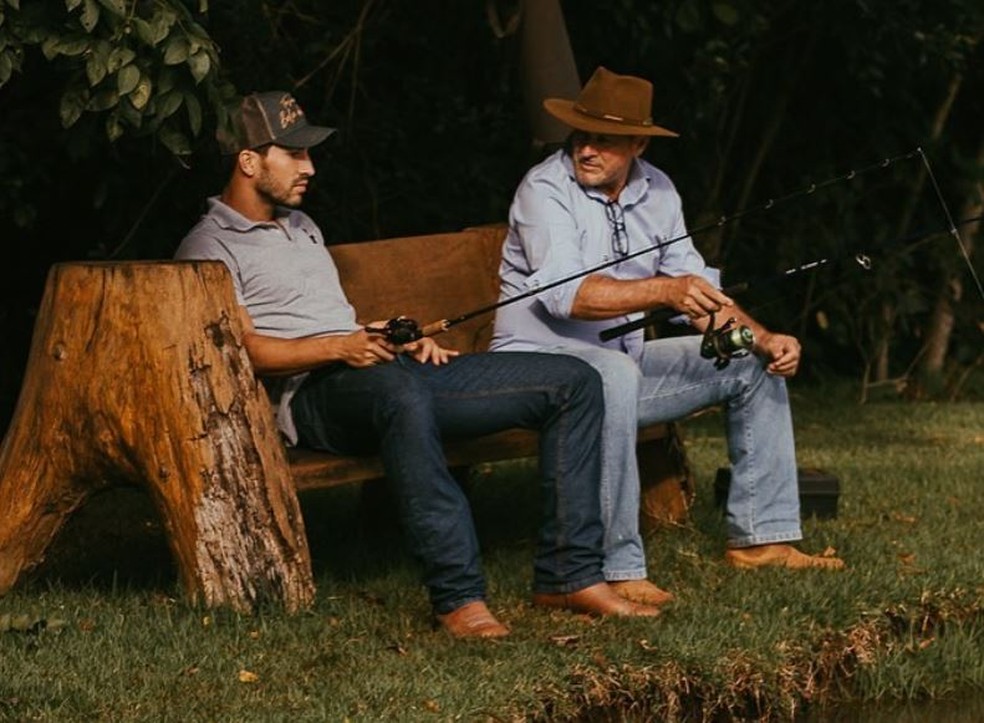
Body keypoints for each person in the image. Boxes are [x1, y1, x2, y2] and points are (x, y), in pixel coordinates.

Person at [175, 90, 662, 639]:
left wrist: (389, 336)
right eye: (296, 155)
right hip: (313, 398)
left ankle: (569, 575)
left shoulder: (301, 225)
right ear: (249, 161)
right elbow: (245, 350)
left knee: (574, 381)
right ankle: (458, 596)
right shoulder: (207, 247)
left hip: (374, 369)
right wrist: (340, 348)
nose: (310, 167)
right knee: (400, 397)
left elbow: (332, 322)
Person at [490, 67, 845, 587]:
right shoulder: (544, 189)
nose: (586, 150)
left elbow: (693, 288)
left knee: (750, 361)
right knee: (611, 374)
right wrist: (664, 289)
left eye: (604, 141)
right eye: (581, 136)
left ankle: (763, 537)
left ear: (637, 144)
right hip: (533, 371)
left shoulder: (658, 191)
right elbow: (567, 295)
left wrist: (765, 338)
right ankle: (617, 567)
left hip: (622, 368)